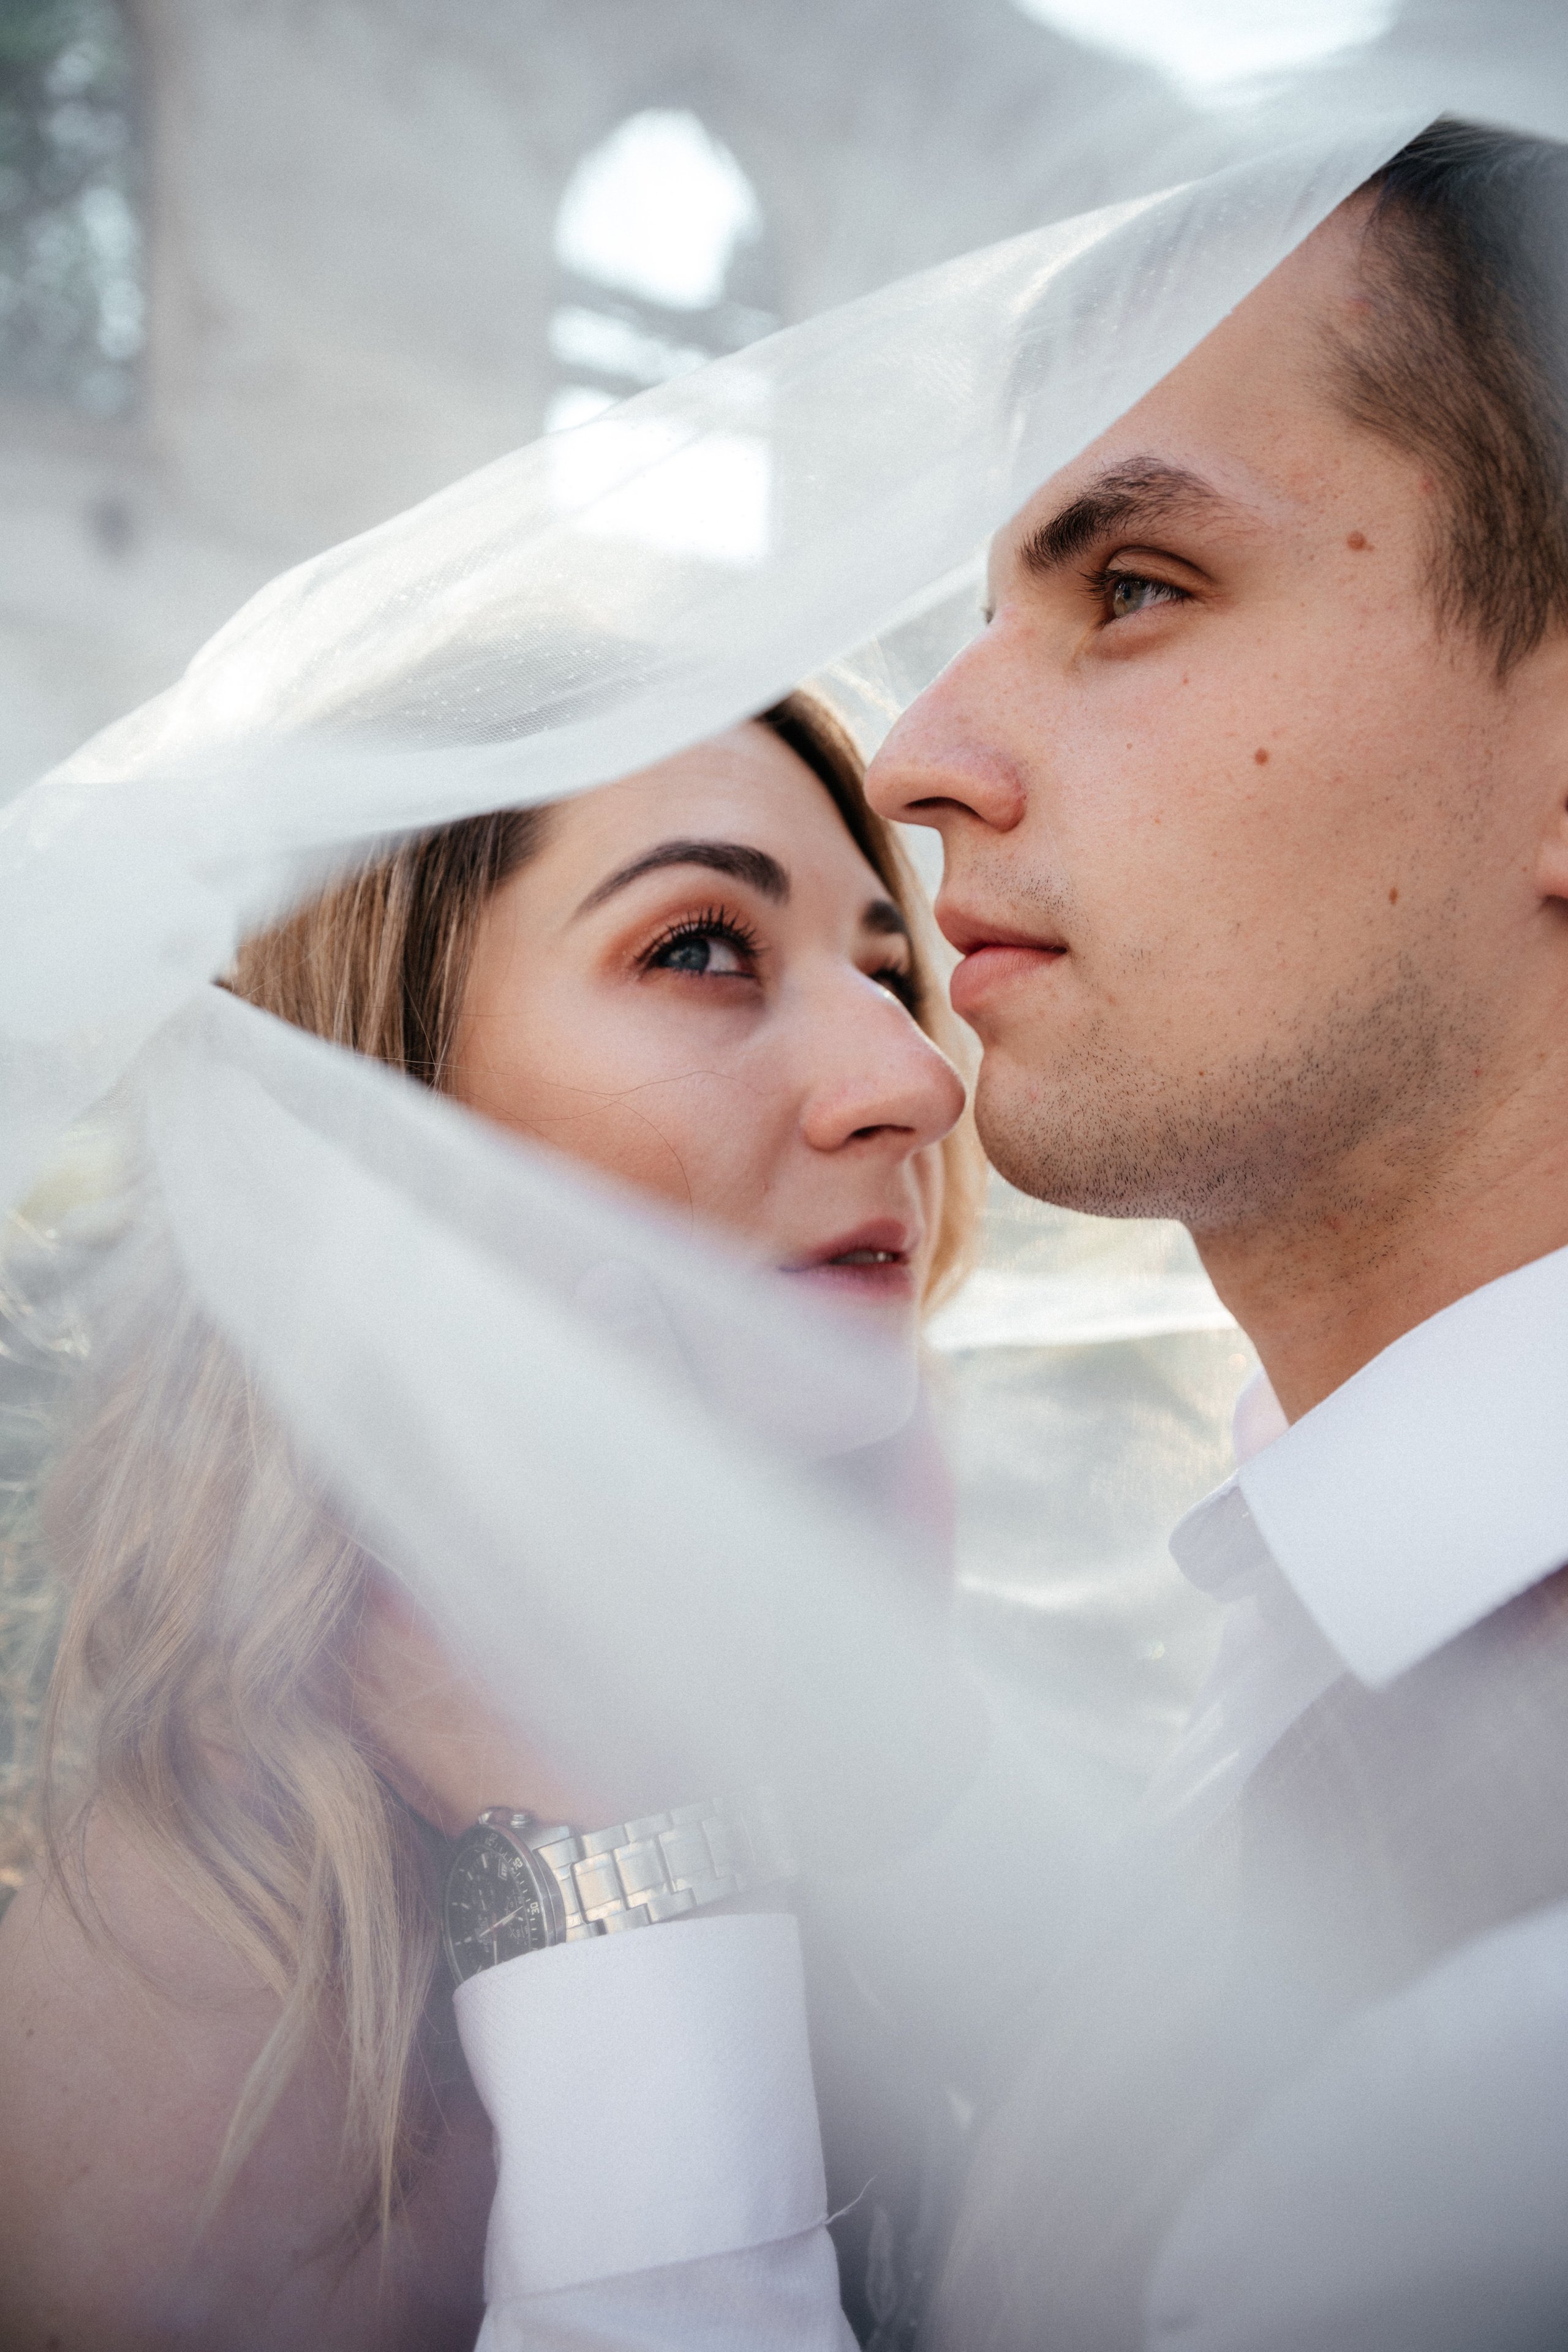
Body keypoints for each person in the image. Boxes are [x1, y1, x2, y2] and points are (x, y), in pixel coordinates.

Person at [423, 114, 1568, 2352]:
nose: (925, 752)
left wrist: (604, 1875)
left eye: (1133, 589)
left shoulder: (1518, 2025)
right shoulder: (1340, 1578)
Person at [0, 692, 981, 2348]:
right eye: (698, 947)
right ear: (375, 1104)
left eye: (888, 971)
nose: (913, 1081)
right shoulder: (219, 1995)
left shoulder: (843, 1695)